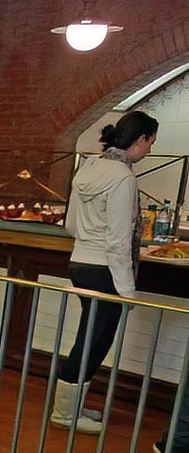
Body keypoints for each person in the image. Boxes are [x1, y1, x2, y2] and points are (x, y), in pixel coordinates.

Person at [50, 111, 158, 434]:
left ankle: (72, 406)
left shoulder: (89, 167)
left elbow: (71, 225)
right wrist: (128, 292)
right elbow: (119, 241)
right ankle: (65, 413)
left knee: (89, 336)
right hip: (106, 269)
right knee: (94, 341)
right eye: (150, 142)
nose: (150, 149)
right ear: (138, 140)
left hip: (80, 262)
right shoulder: (123, 178)